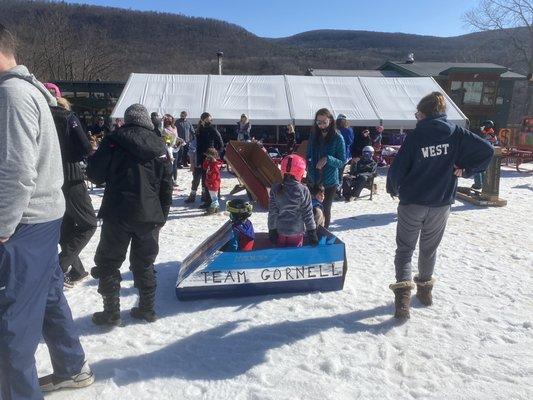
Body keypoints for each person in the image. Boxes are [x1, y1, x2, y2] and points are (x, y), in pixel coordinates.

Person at [0, 24, 94, 398]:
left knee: (12, 325)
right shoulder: (31, 89)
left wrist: (2, 225)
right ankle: (72, 367)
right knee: (50, 293)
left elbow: (16, 171)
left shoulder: (11, 95)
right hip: (43, 216)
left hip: (23, 223)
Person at [386, 92, 494, 319]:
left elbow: (399, 166)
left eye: (417, 114)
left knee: (405, 249)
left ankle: (403, 301)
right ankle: (425, 293)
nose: (416, 117)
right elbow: (487, 150)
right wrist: (467, 171)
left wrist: (393, 187)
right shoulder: (456, 133)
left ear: (424, 113)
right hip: (441, 202)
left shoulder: (416, 136)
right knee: (429, 249)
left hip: (413, 202)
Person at [86, 103, 173, 325]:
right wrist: (162, 215)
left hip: (117, 211)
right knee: (144, 263)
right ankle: (147, 309)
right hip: (150, 214)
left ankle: (111, 312)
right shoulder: (160, 145)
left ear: (126, 120)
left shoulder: (114, 140)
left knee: (109, 262)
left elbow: (95, 174)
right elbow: (167, 185)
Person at [47, 90, 98, 288]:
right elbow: (85, 147)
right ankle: (59, 267)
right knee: (89, 224)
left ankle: (76, 270)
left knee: (66, 226)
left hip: (49, 176)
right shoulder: (67, 116)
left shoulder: (38, 114)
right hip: (71, 175)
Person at [306, 108, 346, 229]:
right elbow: (308, 156)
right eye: (319, 122)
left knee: (325, 210)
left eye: (324, 122)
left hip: (329, 181)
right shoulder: (313, 136)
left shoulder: (338, 138)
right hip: (313, 179)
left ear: (330, 120)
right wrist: (309, 165)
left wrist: (328, 159)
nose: (321, 125)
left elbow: (342, 161)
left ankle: (324, 233)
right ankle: (311, 233)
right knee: (311, 208)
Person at [268, 154, 318, 247]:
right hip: (296, 233)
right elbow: (307, 213)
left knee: (281, 258)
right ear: (300, 172)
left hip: (280, 232)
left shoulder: (276, 188)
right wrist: (312, 231)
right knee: (295, 258)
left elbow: (273, 212)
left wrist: (272, 229)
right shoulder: (303, 190)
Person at [196, 112, 224, 208]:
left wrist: (215, 155)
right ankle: (207, 200)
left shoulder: (212, 129)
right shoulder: (200, 129)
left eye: (209, 119)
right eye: (206, 119)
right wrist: (199, 160)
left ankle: (214, 200)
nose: (208, 121)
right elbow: (198, 146)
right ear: (203, 119)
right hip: (203, 157)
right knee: (205, 179)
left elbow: (220, 144)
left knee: (213, 178)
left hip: (211, 158)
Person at [472, 120, 498, 190]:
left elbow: (482, 141)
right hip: (486, 153)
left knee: (477, 168)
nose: (482, 127)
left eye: (484, 126)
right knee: (482, 169)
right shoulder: (489, 132)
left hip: (483, 153)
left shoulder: (489, 134)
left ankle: (478, 184)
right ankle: (483, 184)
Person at [203, 147, 223, 214]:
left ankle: (213, 209)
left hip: (213, 183)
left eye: (208, 156)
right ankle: (216, 208)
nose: (207, 157)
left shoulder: (214, 165)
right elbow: (205, 167)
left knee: (214, 198)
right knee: (214, 197)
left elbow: (214, 176)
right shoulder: (210, 163)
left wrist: (210, 182)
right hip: (211, 183)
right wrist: (206, 161)